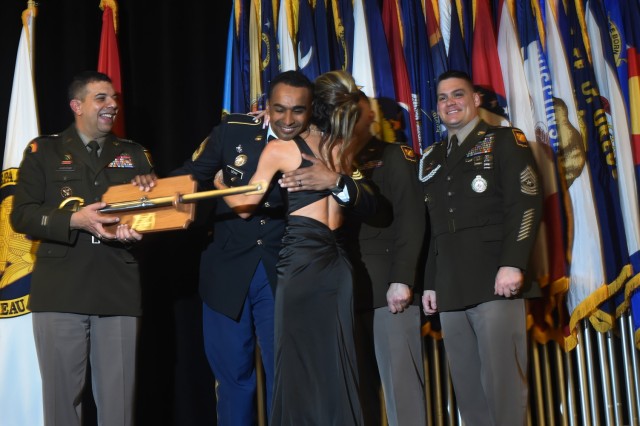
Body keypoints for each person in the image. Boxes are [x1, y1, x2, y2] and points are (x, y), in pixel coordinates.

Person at [214, 70, 369, 425]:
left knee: (297, 364)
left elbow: (245, 206)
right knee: (335, 363)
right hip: (337, 263)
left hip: (301, 263)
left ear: (310, 109)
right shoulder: (341, 147)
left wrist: (220, 181)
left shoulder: (280, 149)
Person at [10, 71, 155, 426]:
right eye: (101, 98)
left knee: (119, 408)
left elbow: (150, 214)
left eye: (114, 99)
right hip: (61, 288)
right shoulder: (43, 151)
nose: (113, 106)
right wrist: (76, 220)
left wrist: (141, 225)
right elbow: (22, 217)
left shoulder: (134, 155)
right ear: (77, 106)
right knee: (62, 406)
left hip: (116, 287)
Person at [280, 93, 427, 425]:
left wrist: (402, 279)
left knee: (402, 392)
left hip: (387, 293)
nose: (350, 121)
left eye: (357, 115)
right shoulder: (326, 157)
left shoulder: (393, 156)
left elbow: (411, 219)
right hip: (343, 292)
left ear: (368, 119)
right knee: (357, 396)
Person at [420, 70, 543, 426]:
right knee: (469, 393)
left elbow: (526, 203)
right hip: (451, 285)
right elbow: (432, 227)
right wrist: (430, 281)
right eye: (443, 98)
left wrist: (514, 263)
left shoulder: (504, 140)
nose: (450, 103)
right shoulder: (432, 156)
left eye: (458, 95)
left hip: (495, 278)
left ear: (475, 100)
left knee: (504, 388)